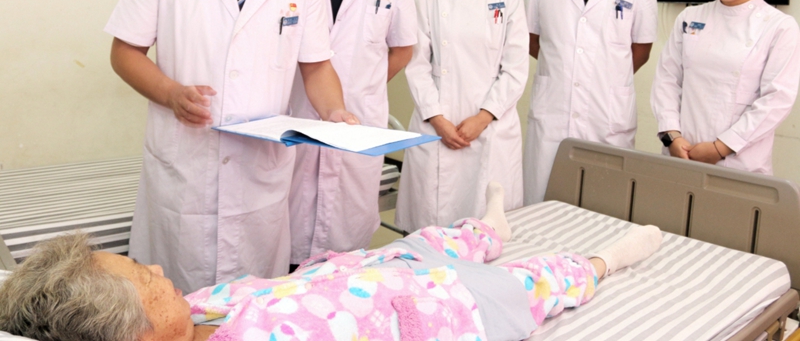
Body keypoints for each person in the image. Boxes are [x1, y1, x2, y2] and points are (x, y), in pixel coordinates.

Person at [104, 0, 357, 293]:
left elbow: (317, 67)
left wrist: (335, 112)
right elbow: (124, 52)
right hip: (185, 170)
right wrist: (171, 94)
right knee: (169, 305)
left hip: (259, 178)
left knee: (252, 304)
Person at [0, 183, 663, 341]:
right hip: (436, 312)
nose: (160, 272)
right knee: (529, 283)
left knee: (434, 240)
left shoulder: (195, 310)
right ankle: (604, 262)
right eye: (147, 281)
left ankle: (490, 227)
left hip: (370, 271)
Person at [287, 0, 417, 266]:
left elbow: (403, 49)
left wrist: (365, 85)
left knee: (347, 243)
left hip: (359, 119)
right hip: (297, 114)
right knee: (286, 230)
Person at [395, 0, 529, 233]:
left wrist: (483, 117)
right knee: (431, 229)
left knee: (486, 227)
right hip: (436, 124)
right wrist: (438, 119)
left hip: (491, 126)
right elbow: (416, 64)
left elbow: (515, 69)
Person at [524, 0, 658, 204]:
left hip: (606, 113)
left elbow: (641, 48)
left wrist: (605, 73)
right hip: (553, 111)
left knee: (605, 203)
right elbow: (530, 38)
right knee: (543, 199)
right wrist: (565, 66)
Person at [651, 0, 800, 174]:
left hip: (739, 162)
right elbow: (667, 80)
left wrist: (721, 147)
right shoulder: (690, 17)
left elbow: (776, 100)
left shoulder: (780, 27)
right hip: (682, 153)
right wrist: (671, 136)